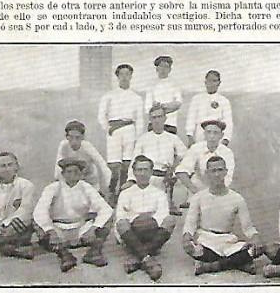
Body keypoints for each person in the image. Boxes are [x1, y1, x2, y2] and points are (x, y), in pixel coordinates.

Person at [182, 155, 263, 275]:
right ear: (207, 173)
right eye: (213, 171)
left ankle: (211, 266)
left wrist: (255, 238)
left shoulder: (236, 198)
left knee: (257, 250)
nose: (217, 174)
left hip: (228, 241)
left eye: (220, 170)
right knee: (194, 250)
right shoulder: (198, 197)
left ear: (226, 172)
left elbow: (248, 227)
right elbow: (190, 223)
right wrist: (186, 238)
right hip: (206, 240)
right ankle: (239, 263)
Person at [33, 156, 114, 272]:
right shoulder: (53, 188)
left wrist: (94, 228)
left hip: (81, 228)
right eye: (69, 172)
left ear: (81, 173)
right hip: (58, 229)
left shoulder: (86, 187)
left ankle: (93, 252)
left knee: (108, 220)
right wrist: (50, 230)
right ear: (63, 174)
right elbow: (40, 211)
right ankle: (64, 255)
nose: (73, 175)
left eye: (76, 171)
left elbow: (105, 209)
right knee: (38, 226)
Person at [116, 155, 175, 279]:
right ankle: (148, 258)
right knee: (121, 223)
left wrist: (147, 219)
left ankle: (139, 257)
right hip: (133, 233)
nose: (142, 173)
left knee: (170, 220)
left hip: (152, 232)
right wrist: (139, 219)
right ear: (134, 172)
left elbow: (163, 215)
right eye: (139, 170)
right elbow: (120, 217)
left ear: (151, 172)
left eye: (145, 170)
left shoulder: (159, 193)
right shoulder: (125, 193)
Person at [98, 63, 144, 202]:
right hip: (114, 131)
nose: (124, 77)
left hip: (129, 130)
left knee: (127, 164)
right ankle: (111, 192)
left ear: (131, 76)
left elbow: (140, 119)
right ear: (117, 76)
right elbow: (101, 116)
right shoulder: (109, 96)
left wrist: (137, 137)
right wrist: (108, 128)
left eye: (127, 74)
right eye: (122, 74)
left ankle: (122, 192)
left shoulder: (136, 97)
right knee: (114, 165)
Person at [129, 104, 186, 215]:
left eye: (159, 117)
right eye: (154, 118)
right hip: (148, 177)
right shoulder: (143, 139)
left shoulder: (172, 138)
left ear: (165, 118)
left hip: (166, 177)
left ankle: (170, 202)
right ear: (150, 120)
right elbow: (134, 161)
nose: (157, 120)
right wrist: (131, 180)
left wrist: (173, 167)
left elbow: (184, 154)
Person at [0, 151, 36, 259]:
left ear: (16, 167)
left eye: (10, 165)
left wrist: (4, 225)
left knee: (24, 220)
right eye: (3, 166)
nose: (7, 169)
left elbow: (25, 210)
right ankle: (9, 248)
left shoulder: (26, 185)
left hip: (16, 227)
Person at [176, 119, 235, 199]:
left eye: (215, 133)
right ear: (204, 134)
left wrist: (214, 194)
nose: (211, 136)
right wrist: (194, 190)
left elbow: (227, 178)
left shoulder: (227, 152)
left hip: (218, 192)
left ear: (221, 135)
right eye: (208, 132)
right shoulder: (196, 148)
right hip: (197, 192)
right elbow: (181, 171)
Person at [54, 120, 110, 194]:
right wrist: (57, 180)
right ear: (66, 136)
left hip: (89, 181)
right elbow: (58, 165)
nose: (74, 141)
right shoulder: (63, 146)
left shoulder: (87, 147)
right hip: (72, 181)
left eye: (77, 138)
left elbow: (101, 164)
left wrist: (109, 185)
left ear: (83, 137)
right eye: (71, 137)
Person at [186, 70, 234, 146]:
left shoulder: (224, 101)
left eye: (214, 81)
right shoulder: (196, 99)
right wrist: (190, 136)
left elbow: (228, 122)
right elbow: (190, 119)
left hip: (217, 136)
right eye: (209, 81)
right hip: (200, 135)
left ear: (219, 83)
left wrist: (226, 139)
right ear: (205, 82)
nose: (211, 84)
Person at [144, 55, 183, 135]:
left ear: (170, 69)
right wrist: (162, 110)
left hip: (170, 124)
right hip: (154, 124)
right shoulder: (151, 85)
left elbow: (178, 103)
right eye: (161, 66)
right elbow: (147, 107)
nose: (163, 69)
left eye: (166, 67)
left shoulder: (175, 84)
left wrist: (161, 107)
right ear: (157, 68)